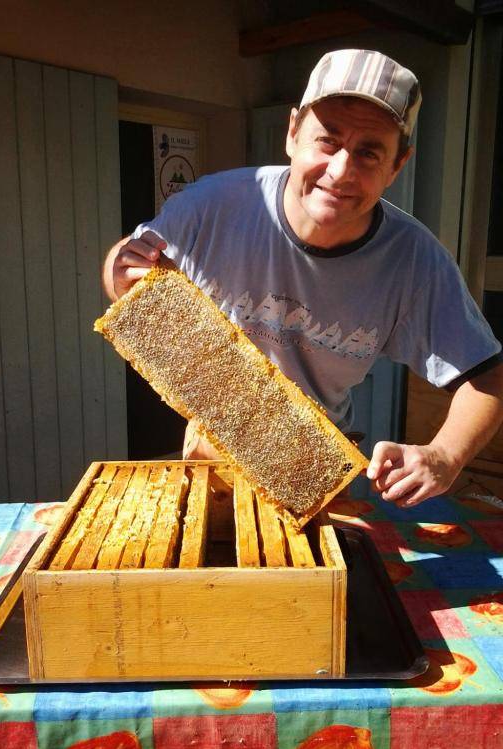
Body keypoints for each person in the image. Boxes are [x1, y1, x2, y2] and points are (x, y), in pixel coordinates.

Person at [103, 48, 503, 508]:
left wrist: (444, 454)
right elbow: (128, 265)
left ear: (398, 165)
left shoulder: (415, 261)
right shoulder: (215, 204)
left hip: (316, 469)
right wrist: (121, 269)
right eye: (328, 141)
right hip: (211, 451)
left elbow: (486, 378)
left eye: (369, 153)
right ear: (293, 132)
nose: (340, 171)